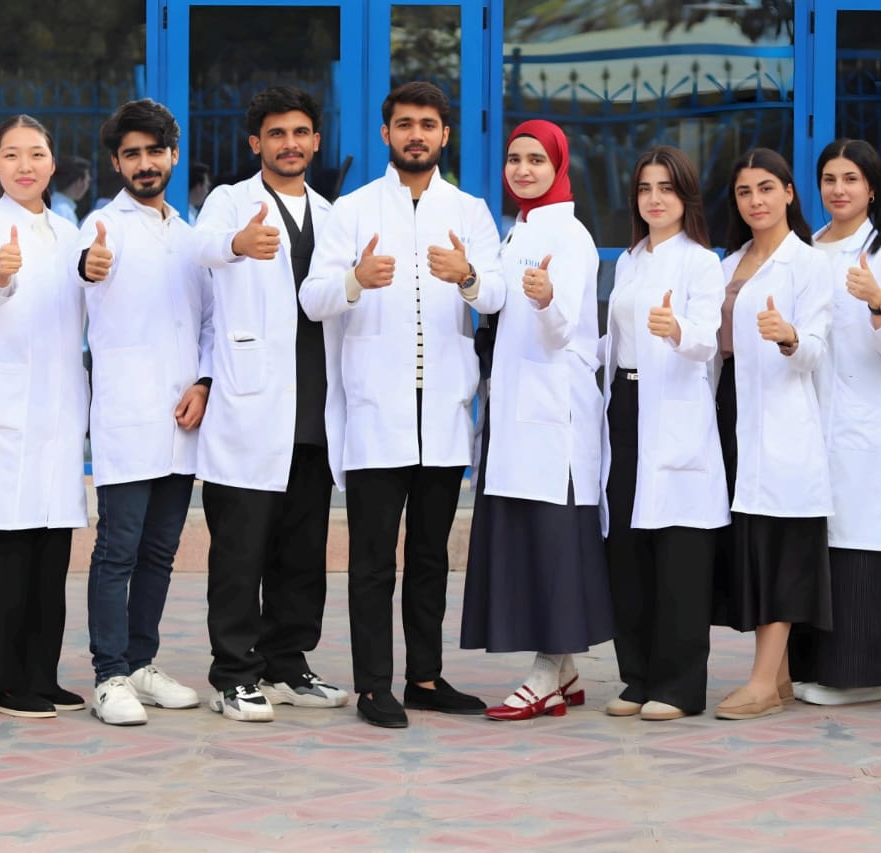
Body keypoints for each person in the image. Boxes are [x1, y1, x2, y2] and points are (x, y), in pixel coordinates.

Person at [300, 81, 504, 728]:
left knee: (430, 557)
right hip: (376, 411)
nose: (417, 134)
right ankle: (372, 686)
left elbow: (497, 295)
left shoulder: (470, 211)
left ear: (445, 134)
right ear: (386, 133)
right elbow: (312, 299)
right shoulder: (353, 210)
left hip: (442, 411)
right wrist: (354, 280)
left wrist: (467, 277)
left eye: (428, 124)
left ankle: (425, 677)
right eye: (406, 124)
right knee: (371, 561)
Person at [191, 86, 346, 723]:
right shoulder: (231, 202)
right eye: (277, 133)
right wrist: (236, 244)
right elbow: (200, 248)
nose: (290, 144)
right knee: (240, 551)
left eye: (301, 132)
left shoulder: (331, 214)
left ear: (316, 141)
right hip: (250, 408)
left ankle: (287, 664)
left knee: (301, 551)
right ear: (256, 143)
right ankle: (234, 674)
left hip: (313, 409)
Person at [458, 120, 610, 721]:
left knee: (553, 543)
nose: (522, 170)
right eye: (514, 158)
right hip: (516, 410)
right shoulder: (518, 228)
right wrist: (468, 278)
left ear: (558, 166)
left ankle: (546, 673)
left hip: (554, 414)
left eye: (536, 160)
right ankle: (563, 670)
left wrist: (546, 299)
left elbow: (563, 327)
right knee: (528, 538)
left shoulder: (569, 235)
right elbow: (495, 300)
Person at [76, 99, 214, 726]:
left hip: (182, 418)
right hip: (128, 417)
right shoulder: (101, 228)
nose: (144, 163)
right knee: (118, 551)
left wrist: (205, 383)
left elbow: (210, 321)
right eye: (131, 154)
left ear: (173, 155)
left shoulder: (190, 237)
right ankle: (108, 676)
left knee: (160, 551)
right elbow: (83, 273)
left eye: (154, 151)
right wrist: (89, 265)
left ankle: (140, 663)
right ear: (116, 163)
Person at [0, 115, 89, 719]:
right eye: (11, 155)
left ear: (52, 164)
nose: (25, 165)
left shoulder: (70, 233)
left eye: (36, 153)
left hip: (57, 408)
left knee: (49, 549)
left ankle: (40, 673)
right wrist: (2, 271)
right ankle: (1, 682)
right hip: (3, 410)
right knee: (1, 548)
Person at [597, 145, 728, 721]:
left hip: (674, 409)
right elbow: (615, 340)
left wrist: (677, 329)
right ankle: (637, 678)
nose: (655, 199)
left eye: (666, 188)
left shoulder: (701, 262)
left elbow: (706, 338)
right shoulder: (628, 261)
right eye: (645, 188)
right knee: (627, 551)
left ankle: (678, 686)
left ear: (685, 197)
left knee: (679, 556)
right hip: (625, 407)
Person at [788, 139, 881, 706]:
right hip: (807, 415)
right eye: (829, 179)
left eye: (850, 179)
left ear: (871, 187)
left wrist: (878, 302)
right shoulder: (805, 249)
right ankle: (810, 668)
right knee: (811, 542)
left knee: (853, 544)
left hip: (858, 421)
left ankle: (858, 677)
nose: (838, 190)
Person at [712, 148, 834, 721]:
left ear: (788, 193)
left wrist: (789, 336)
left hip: (781, 413)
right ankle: (779, 677)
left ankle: (761, 682)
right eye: (744, 191)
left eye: (766, 188)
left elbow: (817, 348)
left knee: (777, 543)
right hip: (730, 409)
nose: (755, 201)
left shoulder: (808, 264)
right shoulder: (729, 262)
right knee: (750, 538)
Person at [50, 155, 91, 225]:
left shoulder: (49, 205)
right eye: (88, 181)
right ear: (80, 182)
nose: (87, 187)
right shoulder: (64, 212)